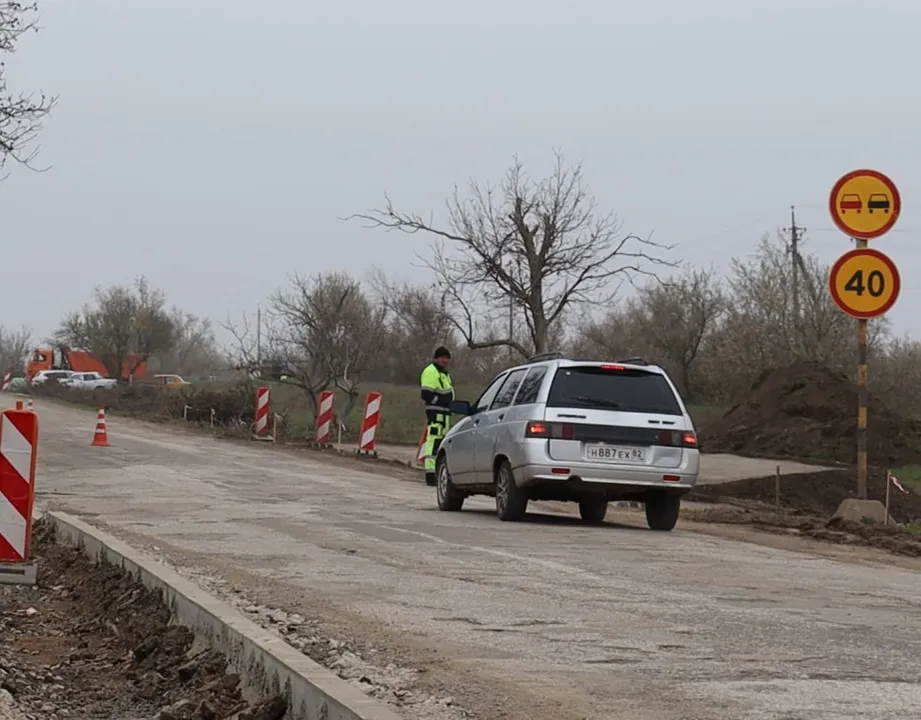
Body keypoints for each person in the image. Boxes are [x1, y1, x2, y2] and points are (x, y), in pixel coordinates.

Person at [419, 346, 454, 486]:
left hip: (444, 415)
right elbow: (426, 394)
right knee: (433, 443)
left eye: (447, 358)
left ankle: (438, 473)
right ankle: (430, 474)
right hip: (436, 414)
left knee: (440, 444)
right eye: (442, 358)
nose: (445, 360)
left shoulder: (444, 373)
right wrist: (440, 401)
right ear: (436, 358)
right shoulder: (431, 371)